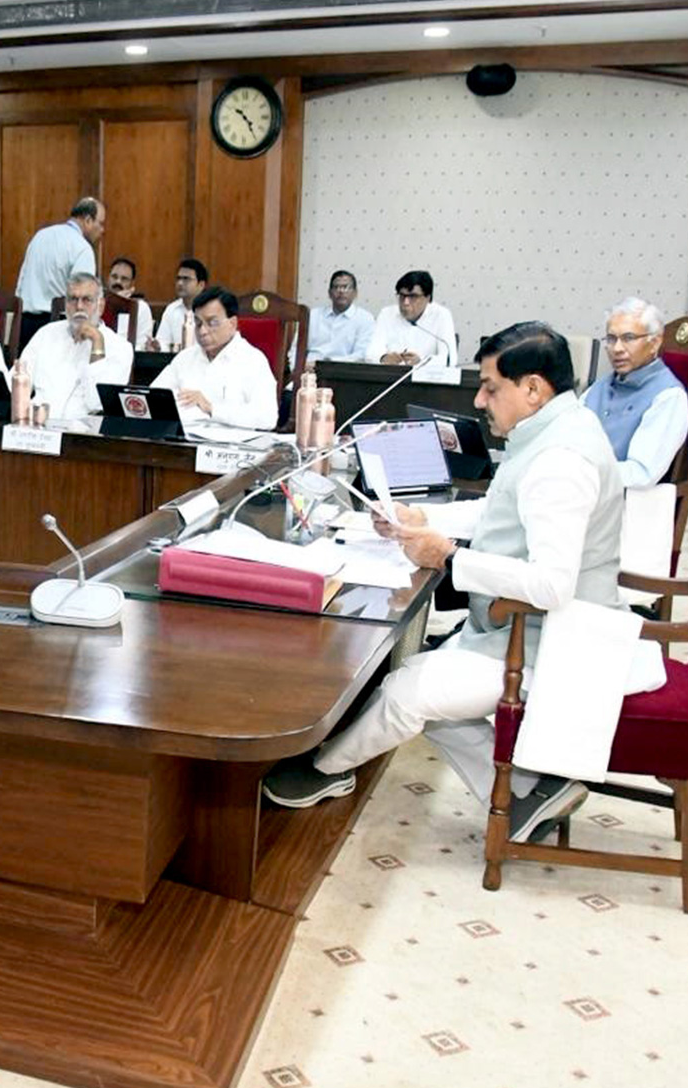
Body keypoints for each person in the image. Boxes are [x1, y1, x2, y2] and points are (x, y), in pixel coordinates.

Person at [263, 322, 665, 842]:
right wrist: (423, 523)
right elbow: (502, 512)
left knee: (412, 689)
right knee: (427, 679)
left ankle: (324, 770)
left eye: (491, 387)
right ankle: (528, 791)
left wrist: (449, 558)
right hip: (523, 629)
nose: (479, 399)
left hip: (555, 647)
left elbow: (551, 585)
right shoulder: (558, 429)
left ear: (534, 388)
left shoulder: (561, 463)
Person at [582, 297, 688, 487]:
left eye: (628, 338)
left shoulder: (668, 396)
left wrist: (578, 473)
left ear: (654, 342)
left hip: (622, 503)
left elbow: (641, 473)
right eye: (612, 339)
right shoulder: (600, 386)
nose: (617, 348)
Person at [150, 286, 277, 432]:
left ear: (232, 323)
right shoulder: (185, 358)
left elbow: (268, 417)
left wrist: (211, 408)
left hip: (230, 448)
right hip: (183, 441)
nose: (203, 331)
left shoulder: (253, 361)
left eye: (212, 323)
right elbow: (155, 396)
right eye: (198, 323)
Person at [17, 272, 132, 421]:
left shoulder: (120, 348)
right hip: (37, 429)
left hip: (82, 437)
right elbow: (15, 382)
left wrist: (97, 341)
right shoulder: (46, 334)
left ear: (101, 305)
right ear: (65, 304)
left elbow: (96, 403)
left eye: (87, 300)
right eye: (73, 299)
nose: (79, 306)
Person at [15, 196, 105, 346]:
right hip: (59, 328)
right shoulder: (82, 248)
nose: (102, 230)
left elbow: (20, 285)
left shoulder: (40, 236)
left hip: (24, 324)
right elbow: (82, 295)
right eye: (100, 224)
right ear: (88, 220)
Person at [367, 270, 457, 367]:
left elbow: (449, 359)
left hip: (425, 378)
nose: (405, 302)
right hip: (391, 376)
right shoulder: (387, 314)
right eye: (402, 296)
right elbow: (370, 353)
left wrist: (421, 362)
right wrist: (383, 358)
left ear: (428, 298)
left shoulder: (441, 315)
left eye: (413, 296)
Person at [306, 269, 375, 363]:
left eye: (346, 287)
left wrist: (329, 364)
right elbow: (296, 349)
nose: (341, 291)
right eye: (336, 287)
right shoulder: (313, 316)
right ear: (329, 293)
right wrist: (298, 368)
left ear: (355, 293)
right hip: (308, 370)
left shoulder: (365, 319)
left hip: (344, 372)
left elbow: (361, 355)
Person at [152, 258, 208, 351]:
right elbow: (163, 343)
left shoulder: (210, 310)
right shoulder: (172, 309)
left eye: (186, 279)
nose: (180, 283)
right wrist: (158, 347)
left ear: (201, 285)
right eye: (178, 278)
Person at [106, 257, 154, 348]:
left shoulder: (141, 308)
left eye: (124, 279)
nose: (118, 282)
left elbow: (141, 346)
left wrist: (120, 302)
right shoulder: (98, 303)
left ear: (132, 283)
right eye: (114, 277)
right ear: (108, 278)